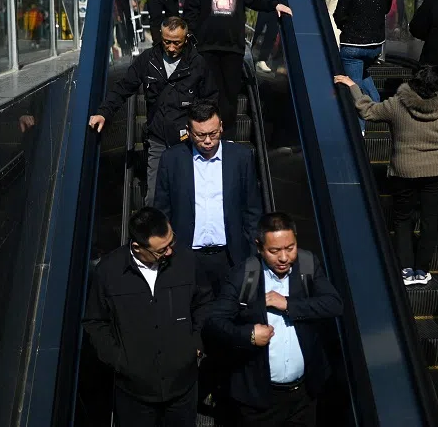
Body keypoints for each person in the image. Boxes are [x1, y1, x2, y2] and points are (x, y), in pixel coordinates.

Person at [204, 212, 343, 426]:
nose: (284, 258)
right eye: (275, 251)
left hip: (304, 396)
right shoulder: (245, 274)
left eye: (290, 248)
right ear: (259, 247)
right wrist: (248, 335)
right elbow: (214, 322)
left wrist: (288, 304)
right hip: (259, 401)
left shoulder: (307, 264)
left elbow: (334, 304)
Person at [84, 207, 212, 427]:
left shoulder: (187, 261)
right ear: (137, 247)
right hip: (134, 394)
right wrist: (118, 360)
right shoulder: (108, 272)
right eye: (161, 250)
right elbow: (95, 322)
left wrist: (196, 342)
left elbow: (205, 302)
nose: (170, 252)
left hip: (182, 387)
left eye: (171, 243)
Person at [334, 64, 438, 286]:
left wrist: (353, 86)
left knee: (402, 218)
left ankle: (405, 268)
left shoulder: (397, 105)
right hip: (437, 170)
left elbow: (367, 111)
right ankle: (422, 270)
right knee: (430, 220)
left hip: (404, 169)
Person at [89, 16, 218, 205]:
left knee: (187, 196)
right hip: (157, 138)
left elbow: (210, 101)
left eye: (177, 43)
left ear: (186, 38)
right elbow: (124, 87)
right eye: (167, 42)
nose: (171, 48)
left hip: (187, 141)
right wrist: (104, 112)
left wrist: (202, 132)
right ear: (160, 36)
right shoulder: (148, 60)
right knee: (154, 198)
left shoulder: (198, 64)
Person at [182, 0, 292, 139]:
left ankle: (228, 136)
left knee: (230, 94)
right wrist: (194, 34)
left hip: (233, 46)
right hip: (207, 46)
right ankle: (209, 134)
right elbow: (190, 8)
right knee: (208, 92)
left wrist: (275, 4)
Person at [154, 101, 263, 294]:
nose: (208, 141)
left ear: (221, 126)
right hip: (186, 257)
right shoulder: (172, 159)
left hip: (231, 256)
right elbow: (163, 210)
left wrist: (253, 253)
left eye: (213, 134)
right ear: (189, 131)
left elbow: (252, 209)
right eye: (200, 135)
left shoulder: (241, 157)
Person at [333, 0, 392, 131]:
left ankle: (360, 131)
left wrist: (347, 27)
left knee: (354, 88)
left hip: (353, 45)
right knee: (364, 74)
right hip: (375, 45)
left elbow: (339, 15)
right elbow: (386, 9)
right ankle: (378, 107)